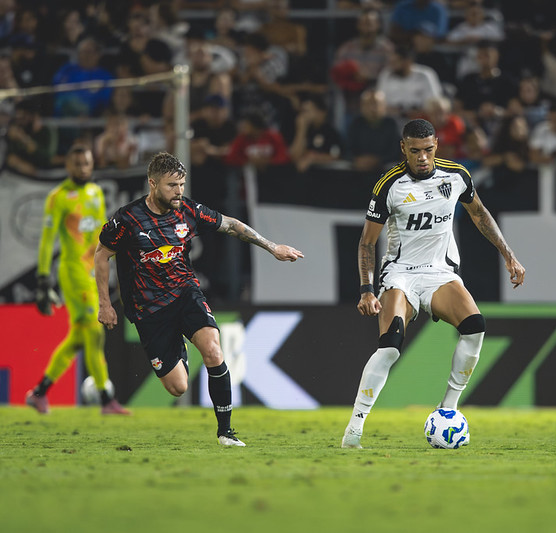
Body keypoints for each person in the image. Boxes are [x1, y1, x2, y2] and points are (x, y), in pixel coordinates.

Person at [95, 152, 304, 446]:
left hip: (185, 293)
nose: (179, 191)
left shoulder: (189, 211)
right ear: (152, 184)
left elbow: (230, 225)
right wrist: (105, 303)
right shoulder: (127, 219)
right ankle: (178, 348)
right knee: (178, 387)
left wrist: (272, 247)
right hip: (148, 309)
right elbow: (102, 255)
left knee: (213, 351)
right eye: (172, 186)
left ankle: (226, 432)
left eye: (181, 184)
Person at [341, 119, 526, 449]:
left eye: (428, 150)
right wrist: (366, 289)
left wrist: (509, 255)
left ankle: (449, 409)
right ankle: (355, 426)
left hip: (440, 273)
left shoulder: (456, 176)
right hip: (400, 274)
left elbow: (480, 214)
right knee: (390, 347)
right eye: (415, 151)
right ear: (403, 149)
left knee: (475, 326)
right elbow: (367, 242)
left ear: (436, 145)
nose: (422, 157)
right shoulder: (389, 186)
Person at [26, 145, 130, 416]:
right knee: (94, 334)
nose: (83, 168)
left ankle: (39, 393)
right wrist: (42, 278)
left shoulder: (96, 193)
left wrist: (115, 265)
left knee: (78, 337)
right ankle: (107, 399)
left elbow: (101, 236)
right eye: (77, 164)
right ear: (68, 166)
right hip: (72, 274)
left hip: (92, 273)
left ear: (92, 164)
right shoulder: (58, 197)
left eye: (86, 163)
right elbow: (48, 240)